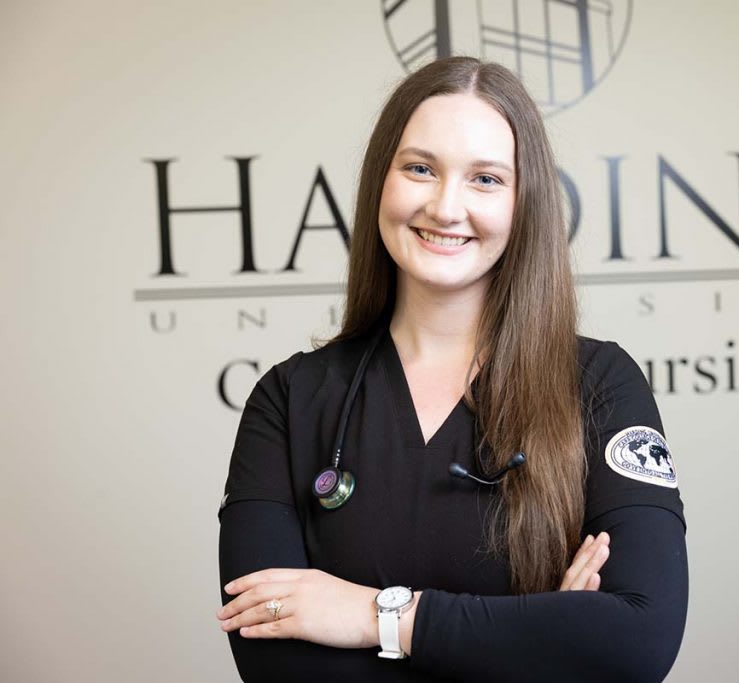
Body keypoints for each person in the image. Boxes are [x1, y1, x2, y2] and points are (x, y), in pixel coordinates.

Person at [215, 56, 688, 682]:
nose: (445, 206)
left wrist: (373, 615)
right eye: (419, 168)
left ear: (526, 203)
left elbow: (636, 640)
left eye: (485, 179)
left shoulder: (600, 384)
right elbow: (277, 664)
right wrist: (540, 639)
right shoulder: (290, 399)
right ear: (379, 182)